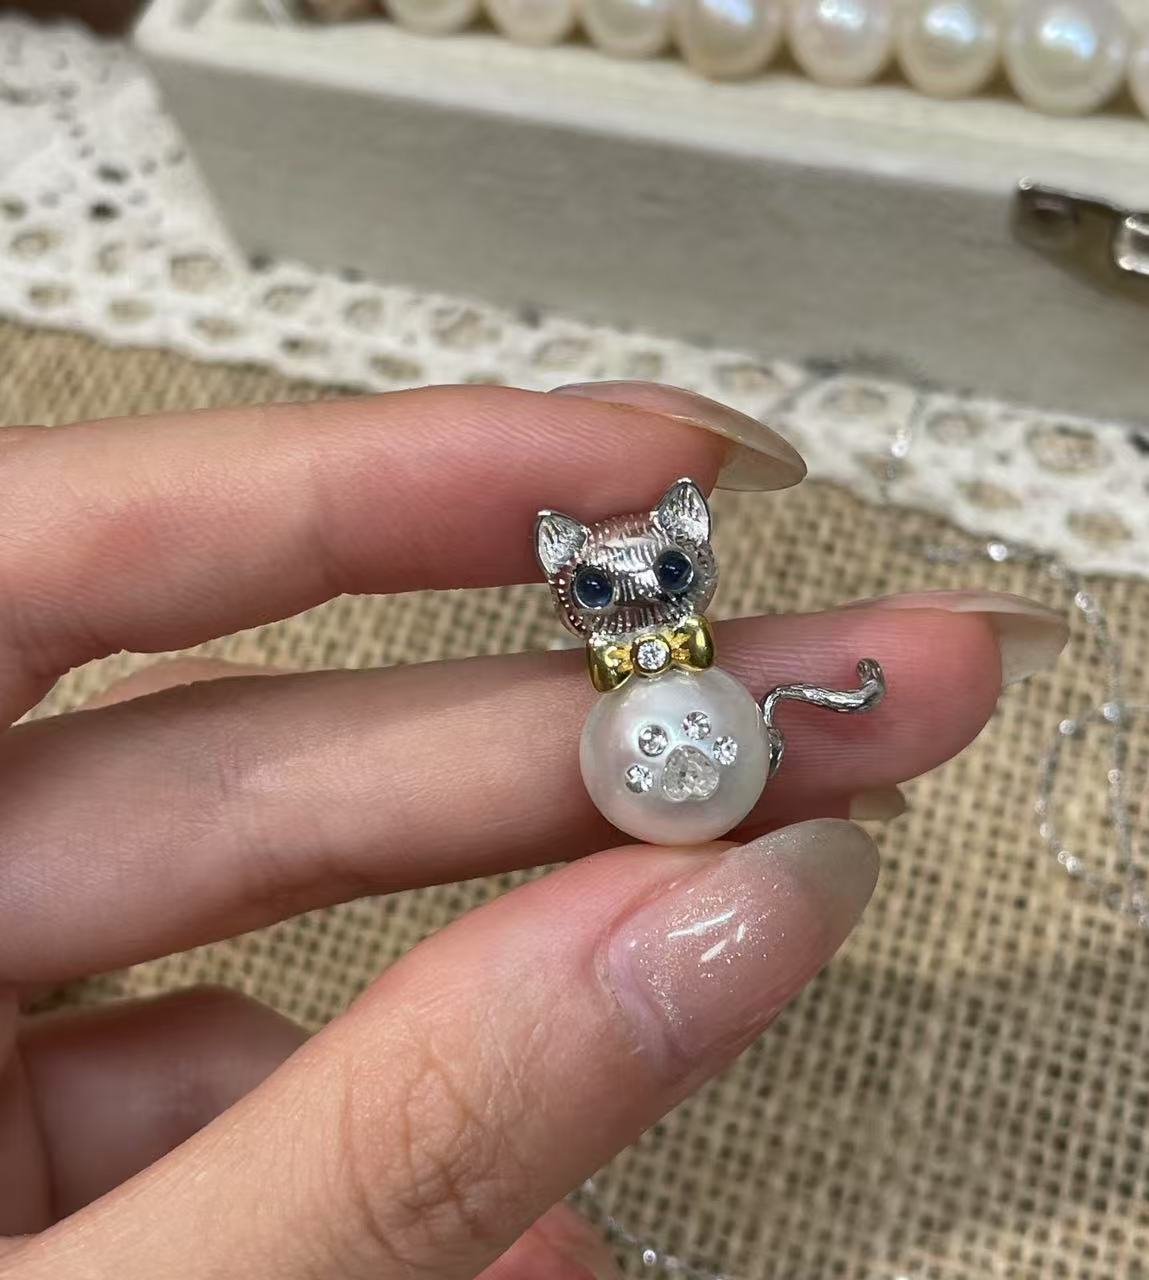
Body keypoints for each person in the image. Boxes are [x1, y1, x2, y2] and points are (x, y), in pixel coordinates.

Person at [0, 380, 1065, 1278]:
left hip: (696, 738)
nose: (638, 589)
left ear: (694, 549)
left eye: (669, 569)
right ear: (564, 575)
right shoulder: (617, 687)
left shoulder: (682, 668)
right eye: (598, 581)